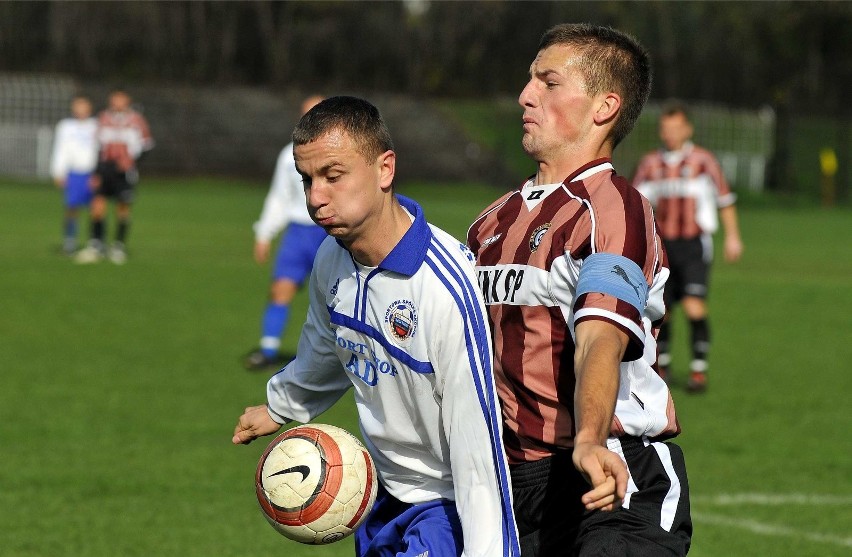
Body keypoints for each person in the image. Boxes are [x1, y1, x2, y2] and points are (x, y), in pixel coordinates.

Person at [232, 96, 519, 557]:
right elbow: (326, 347)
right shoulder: (332, 256)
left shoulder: (443, 290)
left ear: (385, 170)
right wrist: (282, 404)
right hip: (379, 492)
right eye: (307, 180)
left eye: (333, 175)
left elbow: (478, 443)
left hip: (445, 507)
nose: (315, 197)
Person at [467, 24, 691, 555]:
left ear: (604, 106)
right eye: (529, 81)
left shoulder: (613, 208)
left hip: (614, 471)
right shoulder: (488, 224)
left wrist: (588, 438)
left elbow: (600, 337)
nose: (526, 96)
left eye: (548, 83)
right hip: (513, 485)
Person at [632, 102, 744, 393]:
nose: (669, 134)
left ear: (687, 129)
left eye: (675, 128)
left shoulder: (703, 161)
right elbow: (634, 205)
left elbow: (725, 200)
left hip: (694, 246)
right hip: (663, 247)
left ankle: (698, 370)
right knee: (663, 309)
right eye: (665, 128)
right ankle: (663, 365)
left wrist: (733, 237)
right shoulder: (649, 164)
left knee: (695, 307)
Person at [243, 95, 326, 371]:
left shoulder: (340, 152)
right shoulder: (288, 155)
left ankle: (344, 358)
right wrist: (264, 233)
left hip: (330, 234)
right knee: (280, 290)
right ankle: (268, 351)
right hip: (298, 234)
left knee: (338, 298)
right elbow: (279, 197)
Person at [75, 88, 154, 265]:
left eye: (121, 98)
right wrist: (95, 172)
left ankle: (118, 246)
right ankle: (96, 245)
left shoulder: (136, 120)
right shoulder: (103, 118)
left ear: (127, 100)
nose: (117, 102)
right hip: (104, 169)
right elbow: (96, 146)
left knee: (123, 207)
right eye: (115, 98)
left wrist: (131, 162)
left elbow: (147, 146)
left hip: (124, 172)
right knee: (97, 205)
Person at [49, 95, 99, 255]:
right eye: (78, 106)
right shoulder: (65, 126)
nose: (81, 110)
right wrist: (58, 172)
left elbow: (100, 150)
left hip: (91, 173)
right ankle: (70, 242)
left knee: (96, 208)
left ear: (90, 108)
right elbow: (60, 150)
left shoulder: (96, 126)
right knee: (72, 208)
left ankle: (95, 242)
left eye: (84, 106)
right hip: (73, 173)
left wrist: (98, 173)